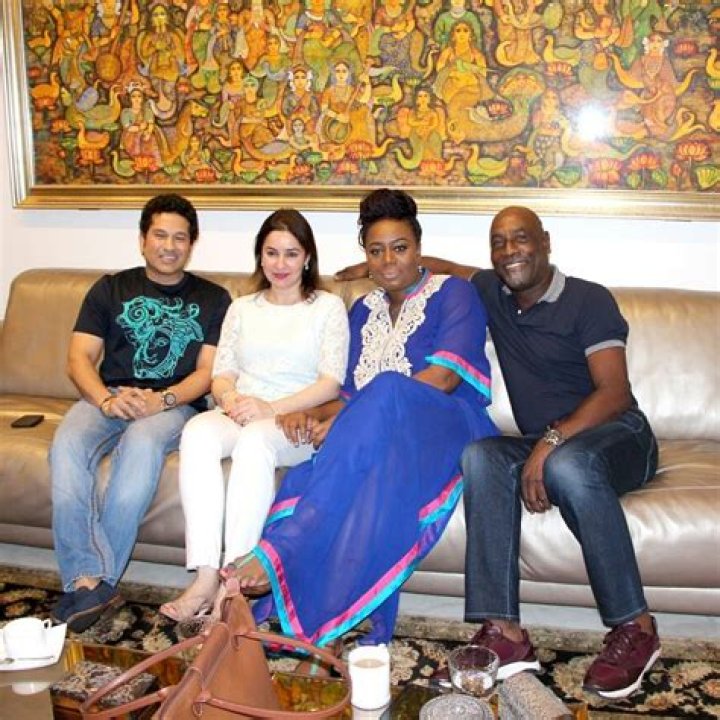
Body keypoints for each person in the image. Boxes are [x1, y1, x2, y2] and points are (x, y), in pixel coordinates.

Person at [338, 205, 660, 699]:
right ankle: (505, 633)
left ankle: (636, 627)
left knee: (569, 465)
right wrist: (373, 266)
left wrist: (552, 442)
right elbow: (441, 269)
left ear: (546, 242)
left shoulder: (588, 299)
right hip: (546, 440)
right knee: (481, 456)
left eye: (521, 238)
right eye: (499, 243)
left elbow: (614, 392)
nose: (510, 251)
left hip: (617, 433)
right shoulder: (493, 291)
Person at [219, 188, 499, 649]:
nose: (388, 261)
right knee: (309, 477)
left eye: (400, 247)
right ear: (365, 255)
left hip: (450, 428)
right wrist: (311, 413)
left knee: (387, 386)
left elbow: (445, 378)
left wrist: (353, 419)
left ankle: (286, 548)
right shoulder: (363, 309)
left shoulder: (455, 293)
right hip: (382, 439)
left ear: (419, 247)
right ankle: (318, 616)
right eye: (376, 250)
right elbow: (348, 395)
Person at [50, 193, 231, 633]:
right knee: (67, 443)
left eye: (180, 238)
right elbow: (78, 359)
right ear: (142, 239)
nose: (169, 246)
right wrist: (106, 400)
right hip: (109, 396)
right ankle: (89, 581)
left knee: (141, 444)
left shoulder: (213, 298)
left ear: (192, 244)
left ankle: (97, 585)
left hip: (173, 404)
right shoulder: (110, 288)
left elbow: (207, 372)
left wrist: (161, 400)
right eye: (160, 235)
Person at [160, 209, 349, 622]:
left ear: (307, 258)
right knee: (197, 431)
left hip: (293, 420)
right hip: (242, 410)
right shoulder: (242, 307)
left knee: (253, 441)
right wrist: (230, 399)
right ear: (259, 257)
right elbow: (222, 373)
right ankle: (205, 576)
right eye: (271, 253)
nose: (280, 264)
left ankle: (234, 585)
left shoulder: (328, 307)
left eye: (291, 254)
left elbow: (331, 383)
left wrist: (270, 409)